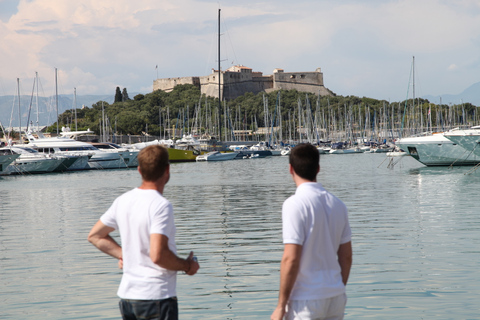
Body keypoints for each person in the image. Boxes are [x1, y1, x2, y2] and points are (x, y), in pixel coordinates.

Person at [88, 145, 199, 320]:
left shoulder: (123, 201)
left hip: (128, 298)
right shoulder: (161, 205)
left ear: (139, 170)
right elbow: (158, 256)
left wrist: (124, 256)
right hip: (156, 298)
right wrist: (187, 266)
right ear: (167, 170)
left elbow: (95, 236)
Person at [271, 143, 352, 320]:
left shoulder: (294, 204)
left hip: (306, 299)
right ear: (318, 168)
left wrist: (280, 306)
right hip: (335, 296)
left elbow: (291, 258)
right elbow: (346, 257)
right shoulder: (338, 205)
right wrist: (337, 286)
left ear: (290, 169)